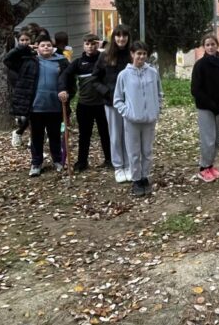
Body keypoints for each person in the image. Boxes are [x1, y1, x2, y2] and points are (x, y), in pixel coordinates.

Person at [4, 33, 69, 177]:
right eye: (42, 45)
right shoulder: (29, 61)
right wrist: (23, 47)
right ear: (37, 47)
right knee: (37, 137)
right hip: (36, 106)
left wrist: (67, 93)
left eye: (49, 45)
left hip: (55, 106)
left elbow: (69, 80)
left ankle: (58, 160)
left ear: (53, 47)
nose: (46, 47)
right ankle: (36, 163)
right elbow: (8, 60)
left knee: (54, 135)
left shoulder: (62, 61)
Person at [113, 41, 163, 197]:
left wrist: (157, 108)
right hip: (132, 121)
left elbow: (159, 93)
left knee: (147, 151)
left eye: (144, 54)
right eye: (138, 53)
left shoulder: (152, 72)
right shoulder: (124, 75)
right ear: (132, 54)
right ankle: (136, 179)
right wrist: (127, 113)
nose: (141, 57)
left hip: (149, 120)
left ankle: (145, 176)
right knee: (134, 152)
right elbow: (117, 100)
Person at [59, 33, 111, 171]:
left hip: (102, 104)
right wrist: (63, 89)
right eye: (87, 44)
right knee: (84, 134)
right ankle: (82, 162)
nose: (90, 47)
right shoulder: (78, 63)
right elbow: (65, 75)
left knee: (105, 133)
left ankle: (110, 159)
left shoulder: (104, 60)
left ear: (97, 44)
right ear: (83, 45)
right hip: (84, 105)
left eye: (93, 44)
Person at [191, 34, 219, 182]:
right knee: (208, 139)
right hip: (206, 108)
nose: (210, 47)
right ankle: (203, 168)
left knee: (216, 140)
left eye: (213, 44)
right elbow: (195, 89)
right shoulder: (200, 65)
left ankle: (210, 165)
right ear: (204, 47)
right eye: (207, 45)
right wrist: (211, 104)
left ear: (217, 45)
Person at [94, 24, 134, 183]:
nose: (121, 39)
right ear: (114, 37)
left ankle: (130, 164)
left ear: (128, 37)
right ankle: (118, 166)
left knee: (129, 134)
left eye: (124, 35)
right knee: (116, 135)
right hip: (111, 103)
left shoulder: (132, 55)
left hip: (131, 103)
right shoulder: (105, 56)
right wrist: (107, 92)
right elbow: (95, 79)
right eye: (118, 35)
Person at [8, 30, 32, 148]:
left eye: (27, 40)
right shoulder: (15, 53)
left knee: (33, 114)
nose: (24, 42)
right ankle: (18, 132)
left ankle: (32, 137)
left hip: (32, 85)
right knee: (26, 114)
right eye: (22, 40)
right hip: (20, 86)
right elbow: (7, 61)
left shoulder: (33, 53)